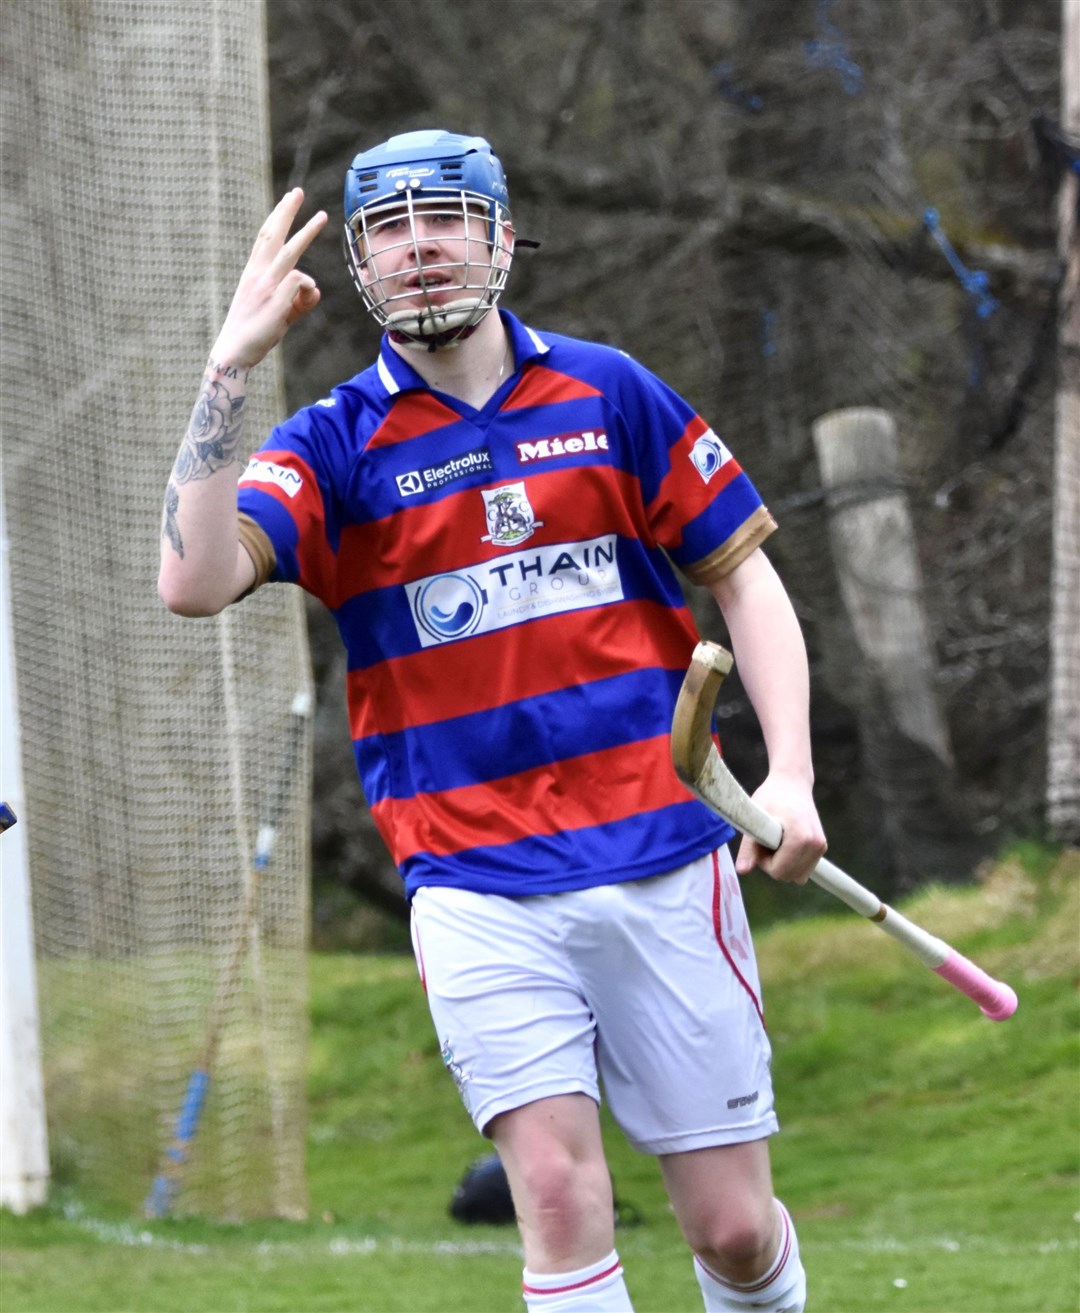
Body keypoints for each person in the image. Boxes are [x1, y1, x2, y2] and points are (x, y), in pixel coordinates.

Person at [158, 129, 827, 1313]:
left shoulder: (610, 391)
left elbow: (747, 579)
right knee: (559, 1197)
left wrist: (794, 778)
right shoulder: (332, 444)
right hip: (475, 877)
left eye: (446, 218)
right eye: (387, 228)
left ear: (502, 237)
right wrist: (228, 368)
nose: (419, 248)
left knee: (729, 1229)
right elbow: (194, 579)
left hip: (665, 854)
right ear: (358, 263)